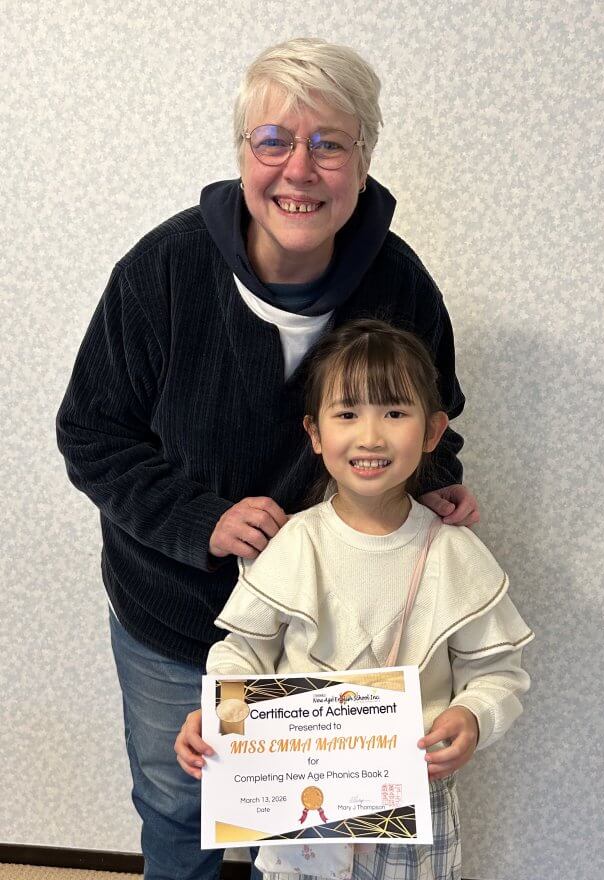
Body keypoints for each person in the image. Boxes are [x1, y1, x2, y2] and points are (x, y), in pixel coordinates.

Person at [57, 38, 480, 880]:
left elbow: (430, 421)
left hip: (326, 631)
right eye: (274, 141)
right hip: (176, 613)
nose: (300, 170)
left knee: (309, 832)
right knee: (180, 806)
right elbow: (91, 433)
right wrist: (200, 520)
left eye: (330, 144)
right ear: (242, 153)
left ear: (364, 161)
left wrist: (438, 484)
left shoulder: (400, 286)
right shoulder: (163, 271)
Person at [175, 320, 533, 880]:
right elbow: (242, 652)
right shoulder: (294, 543)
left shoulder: (454, 553)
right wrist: (221, 715)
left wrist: (472, 716)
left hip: (413, 798)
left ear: (433, 431)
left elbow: (498, 674)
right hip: (298, 795)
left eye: (394, 412)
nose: (370, 436)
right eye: (346, 414)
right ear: (314, 433)